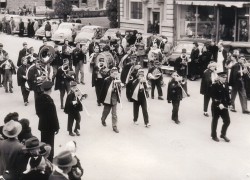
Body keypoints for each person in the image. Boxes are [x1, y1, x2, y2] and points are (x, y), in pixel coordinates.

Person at [36, 81, 60, 162]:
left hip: (42, 125)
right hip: (50, 127)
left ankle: (43, 158)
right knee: (50, 144)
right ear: (50, 90)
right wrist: (57, 127)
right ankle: (49, 159)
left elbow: (38, 113)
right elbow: (53, 116)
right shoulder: (49, 100)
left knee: (43, 143)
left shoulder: (38, 98)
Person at [210, 72, 231, 142]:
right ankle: (213, 135)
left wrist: (230, 103)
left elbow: (227, 95)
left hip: (224, 105)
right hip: (216, 106)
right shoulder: (214, 85)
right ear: (219, 77)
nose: (225, 78)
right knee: (215, 121)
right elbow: (213, 96)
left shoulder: (226, 84)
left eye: (225, 77)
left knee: (227, 121)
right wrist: (219, 103)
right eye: (223, 77)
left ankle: (223, 134)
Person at [99, 67, 121, 133]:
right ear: (111, 73)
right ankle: (103, 119)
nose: (115, 75)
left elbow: (119, 90)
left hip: (114, 98)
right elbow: (103, 90)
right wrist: (100, 100)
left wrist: (119, 86)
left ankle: (114, 126)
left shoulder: (117, 80)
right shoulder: (106, 80)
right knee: (106, 112)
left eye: (116, 73)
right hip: (107, 98)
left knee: (114, 114)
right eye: (114, 73)